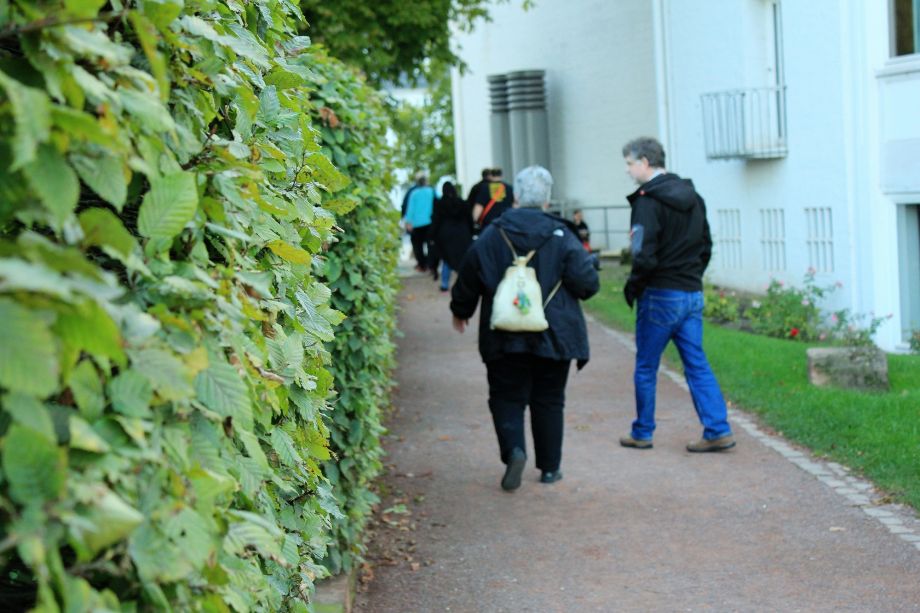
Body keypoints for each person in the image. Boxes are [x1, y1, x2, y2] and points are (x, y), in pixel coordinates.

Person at [450, 166, 599, 491]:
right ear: (547, 199)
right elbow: (587, 284)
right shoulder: (564, 235)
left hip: (504, 333)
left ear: (515, 196)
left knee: (506, 395)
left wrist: (461, 311)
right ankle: (550, 468)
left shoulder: (493, 233)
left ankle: (515, 451)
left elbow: (470, 272)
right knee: (549, 398)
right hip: (555, 333)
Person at [618, 137, 735, 452]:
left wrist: (633, 287)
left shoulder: (647, 201)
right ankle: (717, 428)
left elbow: (643, 254)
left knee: (646, 365)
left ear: (644, 162)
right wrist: (693, 276)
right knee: (696, 363)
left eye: (629, 164)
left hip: (660, 294)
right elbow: (706, 244)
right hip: (690, 292)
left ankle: (642, 431)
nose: (628, 171)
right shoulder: (693, 196)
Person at [430, 182, 473, 292]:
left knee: (447, 259)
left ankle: (445, 283)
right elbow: (469, 219)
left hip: (445, 234)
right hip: (462, 233)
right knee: (462, 259)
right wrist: (471, 232)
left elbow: (435, 221)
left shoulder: (439, 204)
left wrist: (432, 236)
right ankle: (464, 283)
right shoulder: (462, 203)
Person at [403, 174, 435, 272]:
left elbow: (410, 209)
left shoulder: (414, 193)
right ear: (426, 182)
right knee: (431, 244)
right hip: (430, 222)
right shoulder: (432, 191)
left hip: (417, 224)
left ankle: (422, 265)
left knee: (418, 246)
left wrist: (408, 222)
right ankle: (431, 264)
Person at [470, 167, 514, 235]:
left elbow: (478, 207)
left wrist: (474, 221)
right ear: (501, 175)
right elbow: (515, 206)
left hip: (489, 226)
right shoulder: (509, 188)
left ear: (491, 175)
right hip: (506, 224)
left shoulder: (484, 188)